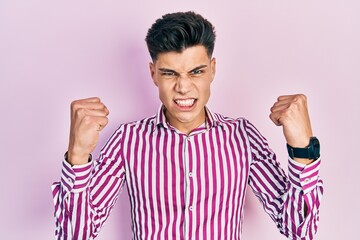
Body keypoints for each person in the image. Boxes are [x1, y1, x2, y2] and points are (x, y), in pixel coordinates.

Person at [52, 11, 323, 240]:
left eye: (196, 71)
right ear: (153, 73)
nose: (183, 87)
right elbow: (76, 234)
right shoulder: (128, 140)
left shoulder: (243, 137)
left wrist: (302, 148)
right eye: (170, 73)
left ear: (212, 69)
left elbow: (299, 229)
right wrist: (77, 156)